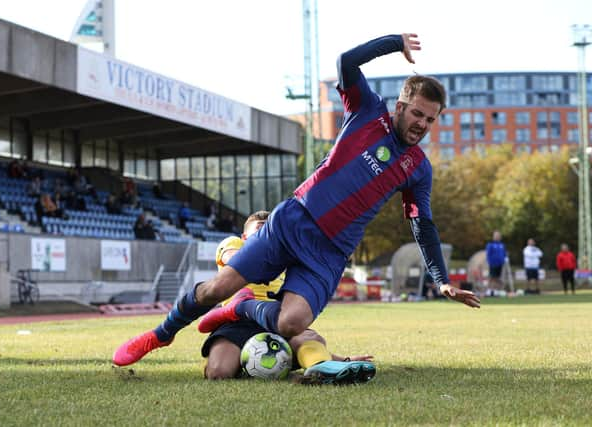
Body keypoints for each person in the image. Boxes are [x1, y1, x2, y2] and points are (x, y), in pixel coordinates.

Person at [112, 33, 480, 372]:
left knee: (292, 322)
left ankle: (243, 308)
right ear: (400, 106)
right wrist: (393, 42)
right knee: (216, 289)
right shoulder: (367, 110)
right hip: (293, 222)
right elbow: (346, 62)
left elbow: (422, 223)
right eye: (417, 113)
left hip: (331, 253)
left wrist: (441, 280)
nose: (422, 124)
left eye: (430, 120)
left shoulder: (418, 168)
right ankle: (161, 334)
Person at [200, 211, 375, 383]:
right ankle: (245, 362)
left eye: (270, 230)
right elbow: (232, 258)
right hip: (237, 320)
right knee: (218, 373)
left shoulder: (286, 260)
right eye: (260, 228)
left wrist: (344, 359)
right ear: (244, 235)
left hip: (276, 318)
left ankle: (323, 367)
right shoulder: (235, 243)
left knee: (306, 338)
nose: (265, 234)